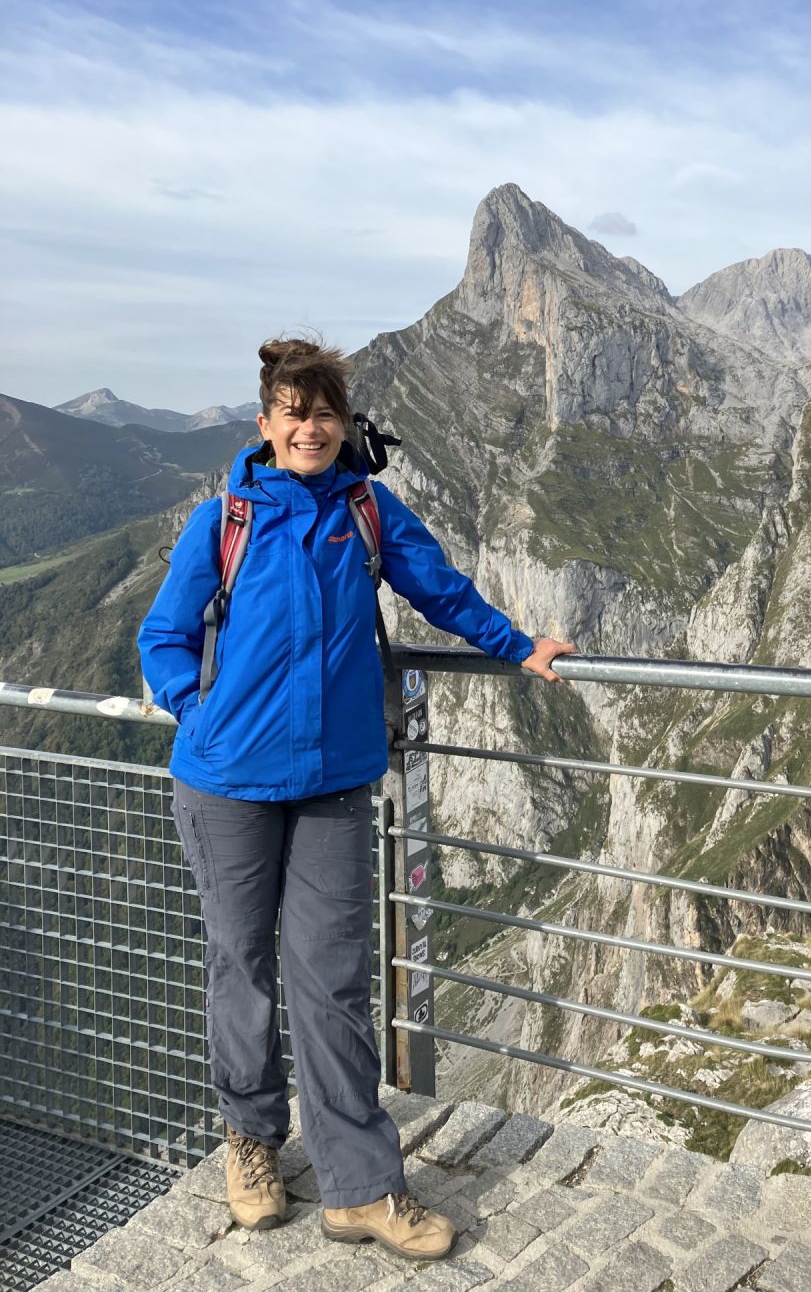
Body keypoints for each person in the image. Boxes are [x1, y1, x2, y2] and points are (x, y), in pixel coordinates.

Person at [138, 336, 575, 1263]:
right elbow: (164, 634)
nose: (310, 427)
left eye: (325, 413)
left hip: (335, 785)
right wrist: (199, 711)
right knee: (241, 970)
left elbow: (441, 591)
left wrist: (518, 642)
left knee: (333, 983)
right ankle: (253, 1146)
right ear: (265, 425)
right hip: (227, 786)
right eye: (294, 412)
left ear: (345, 427)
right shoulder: (227, 518)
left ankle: (361, 1188)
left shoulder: (367, 512)